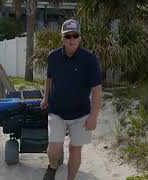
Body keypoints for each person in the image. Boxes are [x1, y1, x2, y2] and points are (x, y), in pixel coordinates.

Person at [40, 19, 102, 180]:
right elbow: (49, 78)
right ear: (63, 38)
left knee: (75, 150)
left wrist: (94, 116)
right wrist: (45, 97)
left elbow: (96, 90)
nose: (72, 39)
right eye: (68, 36)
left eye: (75, 35)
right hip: (57, 111)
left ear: (80, 37)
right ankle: (52, 166)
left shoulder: (90, 60)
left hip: (81, 114)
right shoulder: (53, 57)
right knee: (54, 150)